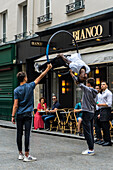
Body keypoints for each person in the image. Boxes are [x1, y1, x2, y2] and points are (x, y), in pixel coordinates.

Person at [11, 63, 52, 162]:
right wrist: (48, 69)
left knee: (19, 134)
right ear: (24, 78)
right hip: (28, 114)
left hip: (19, 114)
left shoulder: (16, 90)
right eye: (26, 77)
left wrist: (12, 115)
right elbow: (40, 76)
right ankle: (27, 155)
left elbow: (15, 105)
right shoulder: (30, 86)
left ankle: (20, 153)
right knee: (27, 134)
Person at [70, 70, 97, 155]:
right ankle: (91, 147)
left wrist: (72, 74)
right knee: (91, 131)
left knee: (87, 131)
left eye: (86, 82)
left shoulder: (87, 90)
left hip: (86, 112)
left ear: (89, 84)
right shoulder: (95, 92)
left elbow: (78, 83)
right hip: (92, 112)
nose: (85, 84)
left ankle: (90, 149)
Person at [97, 81, 112, 146]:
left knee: (105, 126)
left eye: (103, 84)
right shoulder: (102, 93)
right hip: (102, 110)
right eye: (101, 84)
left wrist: (100, 104)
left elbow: (109, 104)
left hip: (106, 110)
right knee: (102, 125)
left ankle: (108, 141)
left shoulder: (108, 93)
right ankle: (105, 140)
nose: (102, 85)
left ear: (107, 86)